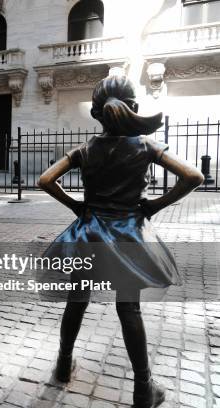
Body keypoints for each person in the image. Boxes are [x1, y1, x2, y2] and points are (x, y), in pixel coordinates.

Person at [38, 76, 204, 408]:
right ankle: (143, 389)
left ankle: (62, 365)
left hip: (89, 234)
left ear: (96, 113)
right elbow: (194, 176)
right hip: (129, 236)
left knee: (77, 300)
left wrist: (76, 206)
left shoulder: (86, 148)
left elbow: (45, 180)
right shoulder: (144, 145)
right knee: (128, 308)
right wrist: (154, 206)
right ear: (135, 108)